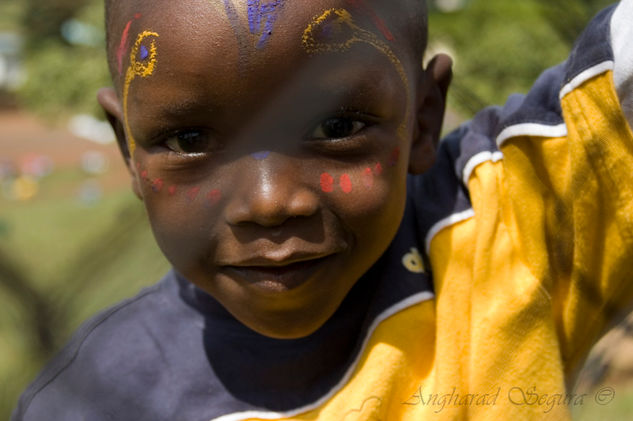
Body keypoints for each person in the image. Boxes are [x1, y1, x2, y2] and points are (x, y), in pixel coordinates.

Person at [11, 0, 633, 419]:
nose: (270, 202)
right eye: (189, 140)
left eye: (337, 126)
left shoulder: (504, 222)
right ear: (128, 150)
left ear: (420, 120)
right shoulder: (93, 403)